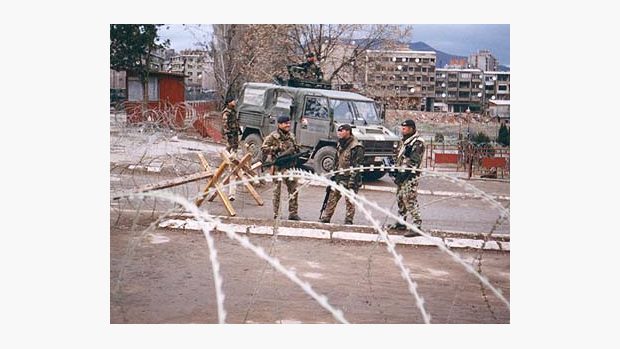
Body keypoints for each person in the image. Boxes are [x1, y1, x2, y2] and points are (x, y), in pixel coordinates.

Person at [320, 124, 364, 225]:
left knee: (350, 201)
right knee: (332, 197)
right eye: (338, 131)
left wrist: (352, 181)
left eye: (341, 131)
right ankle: (326, 217)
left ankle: (349, 220)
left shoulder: (357, 147)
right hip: (339, 177)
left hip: (350, 178)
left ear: (348, 131)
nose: (339, 133)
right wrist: (333, 174)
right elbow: (337, 160)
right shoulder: (340, 144)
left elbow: (357, 165)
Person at [261, 115, 302, 220]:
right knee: (277, 192)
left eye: (288, 123)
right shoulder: (273, 136)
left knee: (293, 190)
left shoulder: (291, 136)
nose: (288, 125)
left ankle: (293, 213)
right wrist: (276, 148)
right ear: (279, 124)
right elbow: (264, 148)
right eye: (285, 123)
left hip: (290, 167)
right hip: (278, 167)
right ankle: (277, 213)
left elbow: (296, 148)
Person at [390, 119, 425, 237]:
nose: (402, 130)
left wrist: (403, 174)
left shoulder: (417, 142)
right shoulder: (404, 141)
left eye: (405, 128)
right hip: (401, 174)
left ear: (412, 129)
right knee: (400, 199)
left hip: (410, 176)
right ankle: (401, 221)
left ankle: (417, 225)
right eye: (402, 128)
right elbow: (400, 157)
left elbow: (414, 161)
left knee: (409, 199)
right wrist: (395, 170)